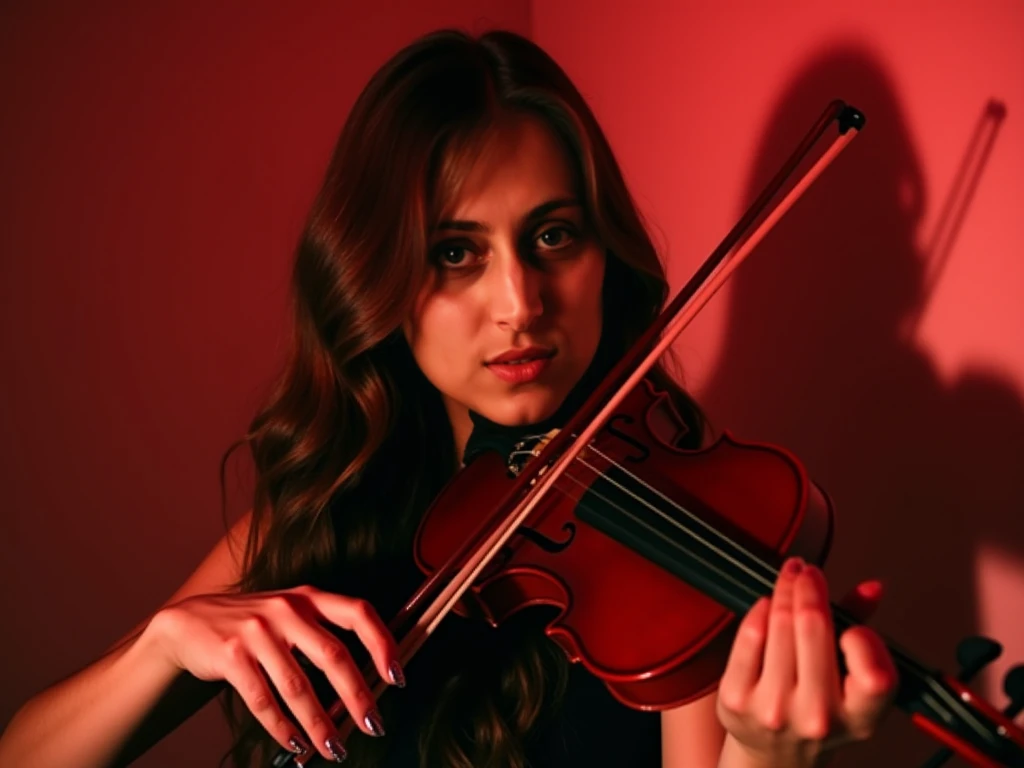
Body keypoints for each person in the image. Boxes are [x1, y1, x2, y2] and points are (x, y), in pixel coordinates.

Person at [0, 28, 898, 768]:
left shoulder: (680, 529)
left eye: (553, 235)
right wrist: (161, 646)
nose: (521, 304)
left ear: (604, 255)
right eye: (457, 253)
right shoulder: (331, 502)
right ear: (379, 277)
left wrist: (764, 757)